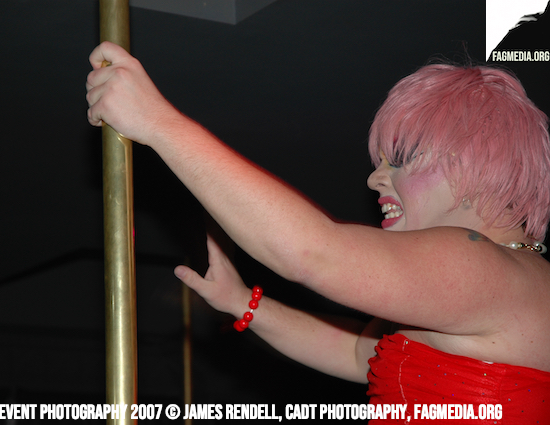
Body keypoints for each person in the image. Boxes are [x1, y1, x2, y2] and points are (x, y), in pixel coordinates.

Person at [86, 41, 550, 423]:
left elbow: (314, 253)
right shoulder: (496, 284)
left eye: (401, 158)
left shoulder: (483, 264)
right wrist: (244, 302)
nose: (375, 179)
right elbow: (355, 354)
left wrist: (158, 123)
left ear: (475, 164)